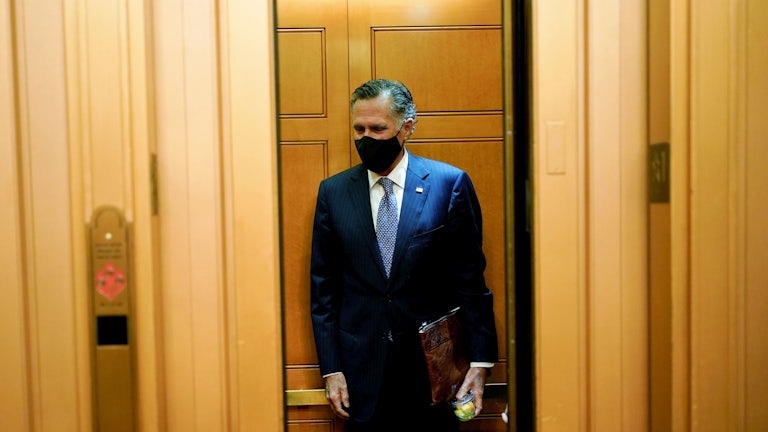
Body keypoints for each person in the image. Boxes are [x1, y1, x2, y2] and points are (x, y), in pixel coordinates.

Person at [310, 79, 498, 431]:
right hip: (360, 378)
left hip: (433, 375)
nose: (366, 138)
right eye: (359, 128)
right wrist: (331, 369)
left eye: (378, 128)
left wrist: (481, 361)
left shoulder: (449, 184)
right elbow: (324, 291)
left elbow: (470, 280)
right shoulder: (333, 193)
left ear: (406, 127)